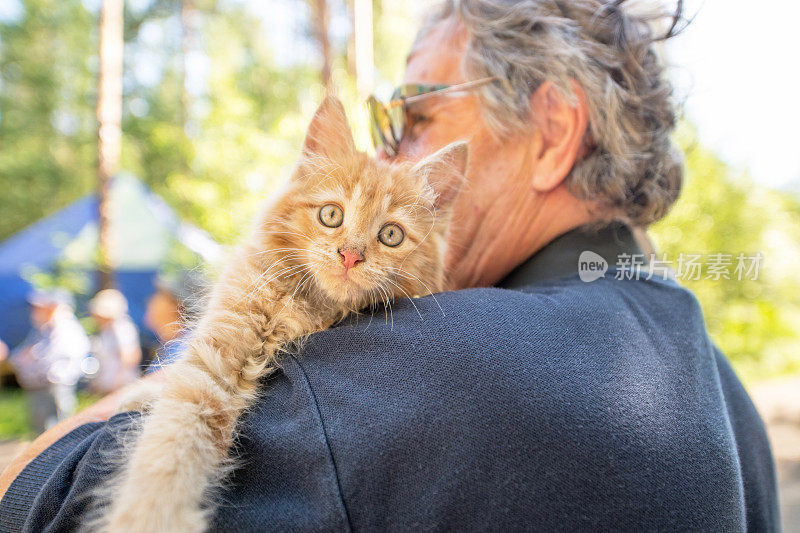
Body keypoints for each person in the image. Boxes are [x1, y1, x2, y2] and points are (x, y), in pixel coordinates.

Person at [0, 1, 779, 530]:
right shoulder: (726, 398)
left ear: (552, 130)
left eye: (413, 117)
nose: (386, 156)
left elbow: (47, 505)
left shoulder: (430, 359)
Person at [0, 290, 89, 435]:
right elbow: (21, 355)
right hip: (39, 386)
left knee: (59, 430)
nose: (35, 312)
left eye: (39, 308)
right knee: (43, 431)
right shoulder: (42, 330)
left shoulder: (66, 329)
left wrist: (30, 358)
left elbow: (47, 358)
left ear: (52, 308)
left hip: (55, 386)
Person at [143, 271, 206, 370]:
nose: (150, 300)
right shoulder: (174, 345)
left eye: (161, 294)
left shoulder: (184, 350)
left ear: (175, 305)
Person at [87, 289, 142, 395]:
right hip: (109, 386)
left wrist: (118, 381)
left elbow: (130, 356)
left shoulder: (122, 328)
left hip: (121, 387)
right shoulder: (107, 330)